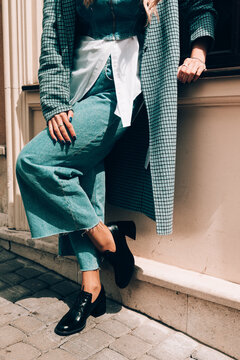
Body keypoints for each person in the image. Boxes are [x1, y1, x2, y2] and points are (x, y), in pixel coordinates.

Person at [15, 0, 217, 336]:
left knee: (33, 161)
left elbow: (201, 5)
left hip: (123, 81)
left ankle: (107, 243)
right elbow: (52, 39)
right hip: (76, 83)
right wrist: (53, 102)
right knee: (78, 171)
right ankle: (93, 281)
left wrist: (198, 54)